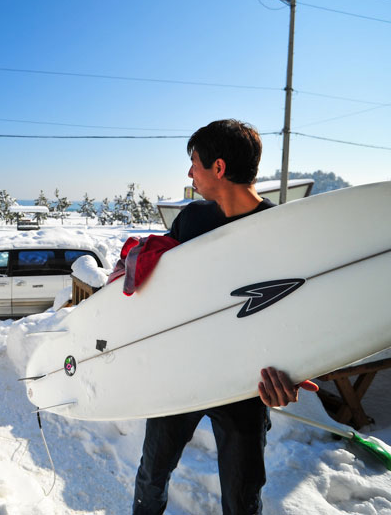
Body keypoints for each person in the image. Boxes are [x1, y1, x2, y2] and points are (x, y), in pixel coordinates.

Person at [132, 119, 319, 515]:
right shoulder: (192, 220)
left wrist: (295, 368)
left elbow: (296, 315)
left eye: (194, 163)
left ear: (218, 168)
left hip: (245, 384)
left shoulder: (282, 234)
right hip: (181, 373)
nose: (189, 173)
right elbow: (164, 290)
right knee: (152, 475)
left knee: (243, 497)